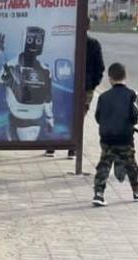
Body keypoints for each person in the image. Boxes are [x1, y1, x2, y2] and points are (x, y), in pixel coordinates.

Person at [0, 27, 54, 141]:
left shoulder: (43, 70)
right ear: (25, 39)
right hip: (22, 121)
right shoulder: (14, 67)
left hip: (25, 121)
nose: (34, 44)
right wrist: (50, 119)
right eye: (30, 40)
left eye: (38, 41)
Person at [92, 63, 138, 207]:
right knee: (130, 163)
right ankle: (137, 190)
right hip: (125, 136)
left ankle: (99, 193)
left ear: (110, 78)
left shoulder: (103, 96)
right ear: (125, 76)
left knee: (104, 163)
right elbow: (135, 116)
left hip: (106, 137)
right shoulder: (132, 95)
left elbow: (98, 116)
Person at [46, 20, 105, 158]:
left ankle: (53, 146)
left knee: (59, 114)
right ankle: (73, 149)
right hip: (85, 87)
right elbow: (100, 68)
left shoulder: (66, 43)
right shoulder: (93, 44)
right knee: (79, 118)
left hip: (64, 87)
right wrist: (92, 84)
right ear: (89, 27)